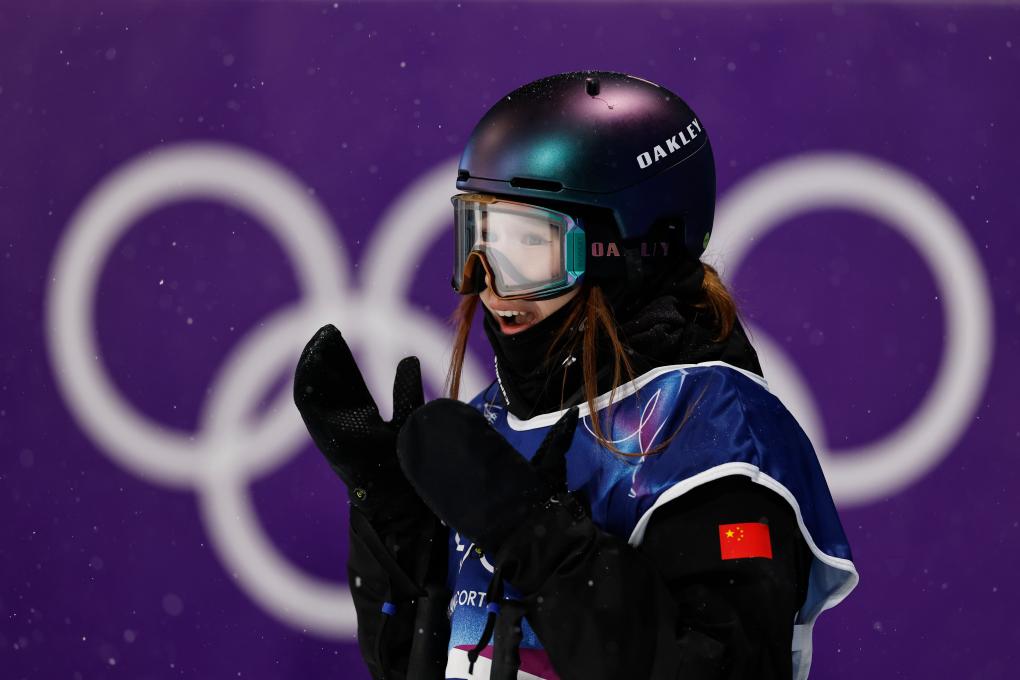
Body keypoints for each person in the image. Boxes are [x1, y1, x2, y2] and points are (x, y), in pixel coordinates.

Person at [293, 71, 859, 680]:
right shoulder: (498, 421)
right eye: (477, 241)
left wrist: (539, 540)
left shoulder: (714, 437)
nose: (490, 286)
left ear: (631, 245)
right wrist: (395, 527)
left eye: (528, 246)